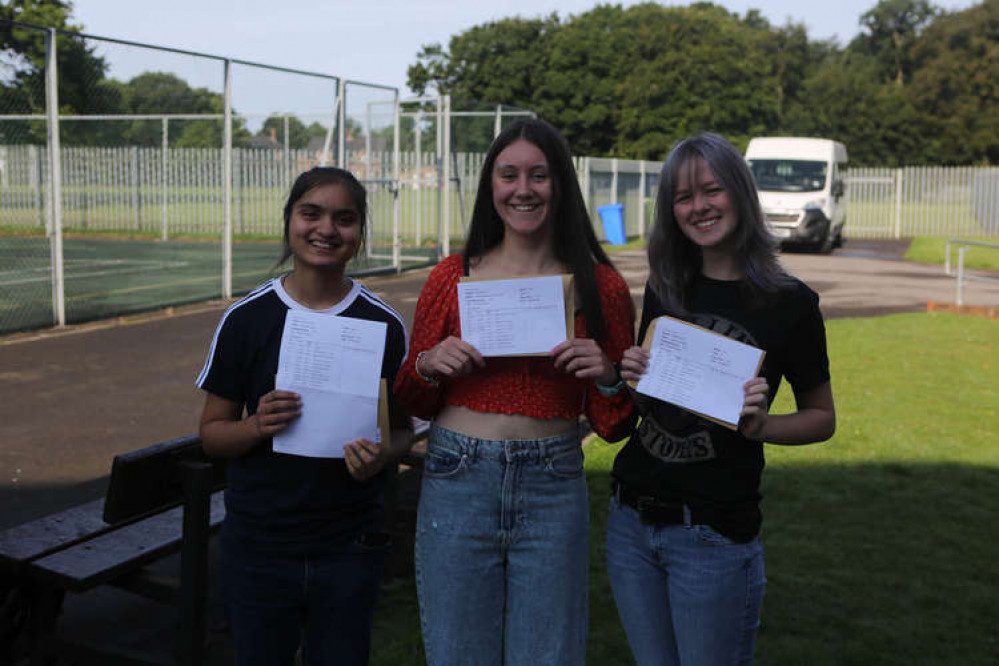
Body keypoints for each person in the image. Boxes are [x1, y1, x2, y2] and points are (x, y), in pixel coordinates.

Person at [394, 118, 637, 665]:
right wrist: (431, 363)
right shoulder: (452, 277)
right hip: (458, 478)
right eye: (509, 176)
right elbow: (413, 397)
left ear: (561, 186)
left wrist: (606, 373)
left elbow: (616, 423)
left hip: (553, 483)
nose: (523, 190)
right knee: (458, 654)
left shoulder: (602, 287)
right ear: (491, 186)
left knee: (546, 655)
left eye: (538, 176)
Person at [608, 132, 836, 666]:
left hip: (711, 534)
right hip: (631, 522)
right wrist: (633, 376)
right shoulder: (666, 285)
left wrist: (763, 427)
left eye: (711, 189)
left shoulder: (791, 303)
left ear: (739, 191)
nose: (699, 207)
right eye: (683, 198)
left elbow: (822, 417)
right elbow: (656, 405)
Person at [195, 167, 411, 666]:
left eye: (344, 218)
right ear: (289, 220)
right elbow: (211, 434)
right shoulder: (247, 320)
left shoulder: (382, 325)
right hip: (260, 545)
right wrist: (254, 426)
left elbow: (401, 433)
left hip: (348, 545)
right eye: (310, 213)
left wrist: (380, 457)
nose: (326, 229)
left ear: (359, 234)